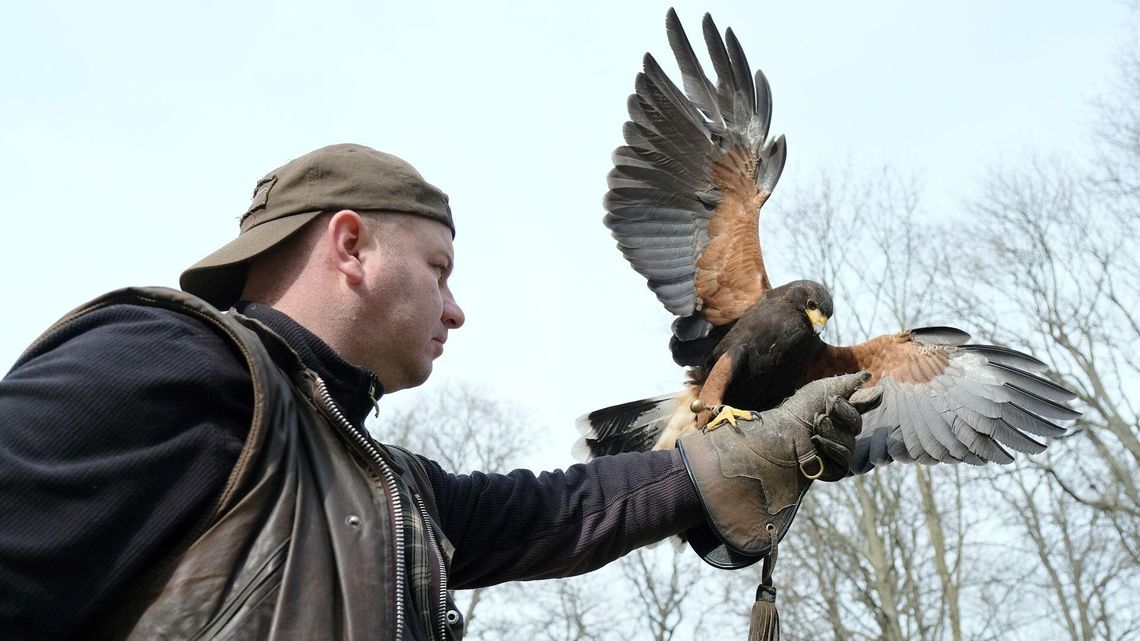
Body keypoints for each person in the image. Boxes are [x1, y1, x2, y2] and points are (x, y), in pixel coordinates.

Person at [0, 143, 877, 641]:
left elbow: (556, 514)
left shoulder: (379, 484)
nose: (456, 309)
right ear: (350, 248)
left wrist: (738, 455)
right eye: (438, 269)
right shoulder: (170, 362)